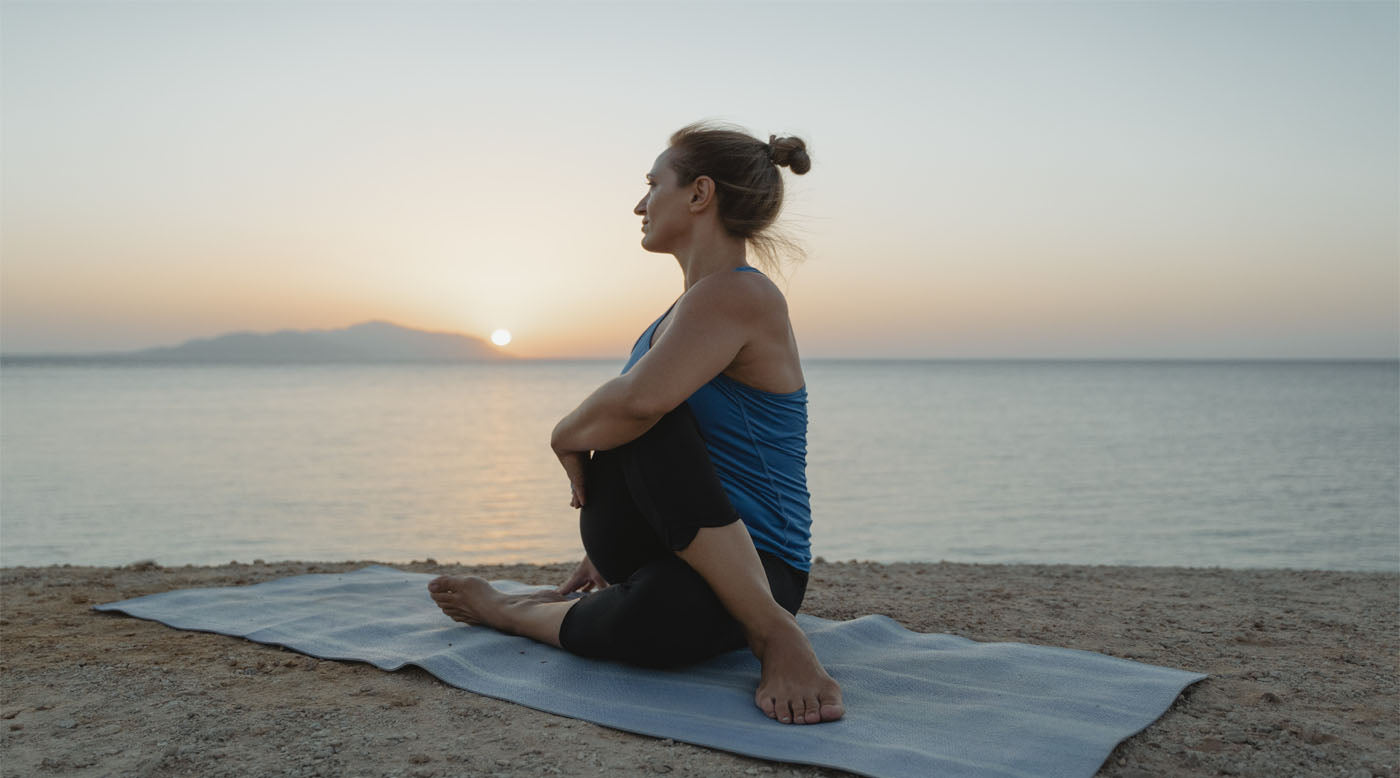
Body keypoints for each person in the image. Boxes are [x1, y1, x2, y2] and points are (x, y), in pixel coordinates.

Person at [428, 121, 844, 726]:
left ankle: (774, 633)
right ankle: (516, 609)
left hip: (765, 569)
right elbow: (642, 429)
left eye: (654, 185)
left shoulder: (739, 295)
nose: (640, 204)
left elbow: (636, 408)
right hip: (673, 554)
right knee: (638, 431)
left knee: (661, 618)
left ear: (700, 195)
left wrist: (563, 433)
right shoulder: (679, 314)